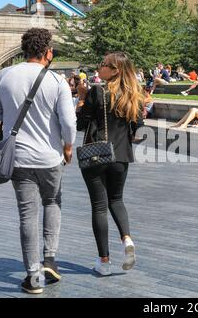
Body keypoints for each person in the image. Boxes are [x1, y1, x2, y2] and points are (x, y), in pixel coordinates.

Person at [0, 28, 76, 294]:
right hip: (50, 158)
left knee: (27, 214)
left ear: (24, 50)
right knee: (52, 202)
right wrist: (68, 147)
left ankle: (33, 275)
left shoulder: (3, 75)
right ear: (47, 52)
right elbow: (69, 122)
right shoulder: (57, 81)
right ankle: (50, 259)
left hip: (19, 158)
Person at [76, 51, 143, 276]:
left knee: (99, 206)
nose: (100, 67)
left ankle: (104, 262)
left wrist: (82, 97)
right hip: (121, 156)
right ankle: (126, 239)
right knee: (117, 199)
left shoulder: (97, 91)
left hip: (97, 154)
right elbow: (138, 131)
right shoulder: (134, 94)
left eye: (104, 65)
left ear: (115, 70)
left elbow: (80, 124)